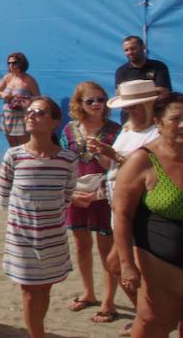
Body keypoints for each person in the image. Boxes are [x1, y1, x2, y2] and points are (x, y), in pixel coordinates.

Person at [0, 96, 77, 338]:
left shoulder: (67, 159)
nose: (31, 115)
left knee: (44, 289)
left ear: (55, 122)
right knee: (31, 292)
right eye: (29, 112)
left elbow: (67, 194)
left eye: (40, 112)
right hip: (23, 237)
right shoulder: (14, 156)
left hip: (53, 236)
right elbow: (4, 194)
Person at [113, 92, 183, 337]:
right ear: (159, 123)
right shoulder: (143, 161)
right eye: (177, 119)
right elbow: (121, 214)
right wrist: (126, 263)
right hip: (158, 264)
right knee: (153, 322)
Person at [59, 82, 123, 323]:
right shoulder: (69, 130)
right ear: (79, 104)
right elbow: (64, 164)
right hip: (77, 193)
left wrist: (102, 152)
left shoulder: (116, 130)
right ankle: (88, 292)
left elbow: (118, 166)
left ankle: (109, 301)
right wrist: (71, 193)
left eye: (101, 99)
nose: (97, 104)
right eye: (90, 101)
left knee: (107, 249)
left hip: (105, 194)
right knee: (81, 244)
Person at [0, 52, 40, 147]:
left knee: (25, 147)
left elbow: (38, 98)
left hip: (22, 119)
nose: (11, 65)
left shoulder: (29, 80)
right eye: (9, 63)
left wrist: (25, 101)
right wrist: (4, 95)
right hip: (8, 118)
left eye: (14, 62)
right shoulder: (7, 77)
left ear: (21, 63)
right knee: (13, 147)